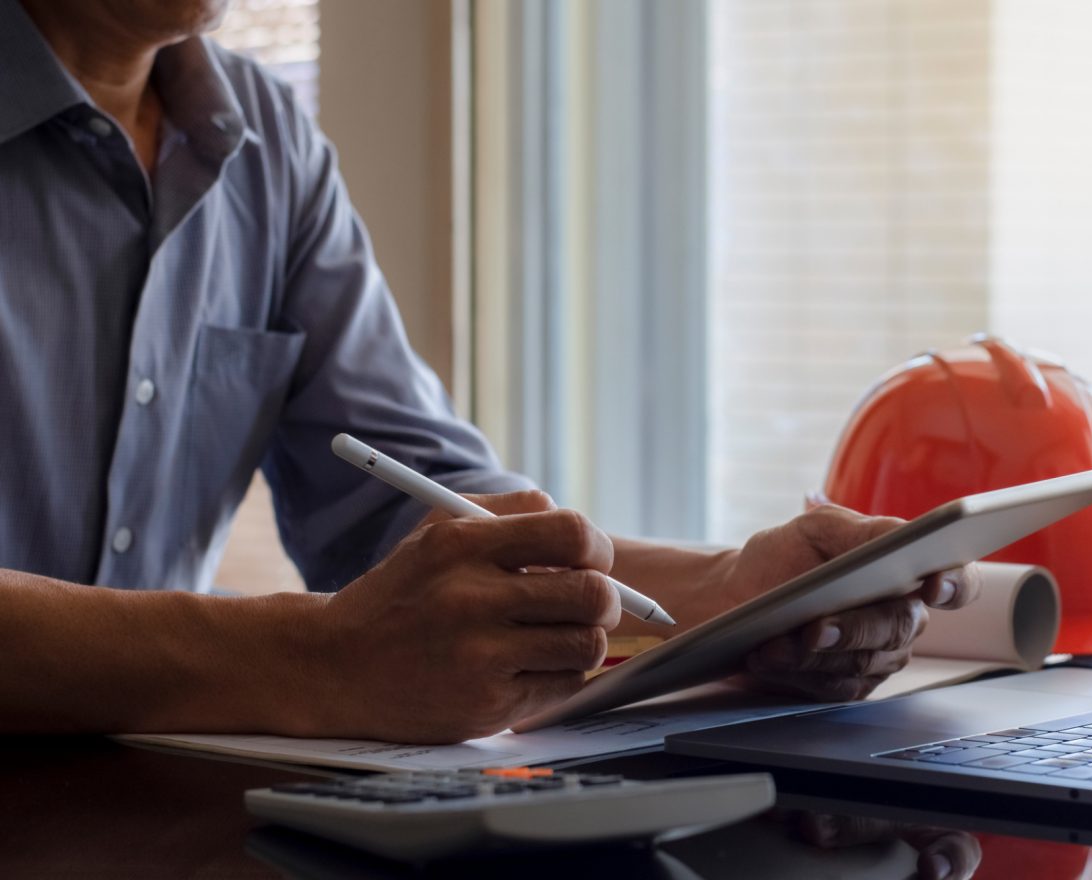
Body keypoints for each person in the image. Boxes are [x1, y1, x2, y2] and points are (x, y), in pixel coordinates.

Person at [0, 0, 978, 744]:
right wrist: (314, 659)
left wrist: (736, 595)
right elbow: (344, 640)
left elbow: (421, 511)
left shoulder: (265, 140)